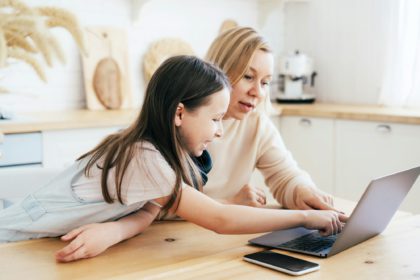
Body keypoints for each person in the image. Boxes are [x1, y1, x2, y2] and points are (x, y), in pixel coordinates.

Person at [0, 55, 347, 263]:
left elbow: (148, 213)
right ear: (180, 113)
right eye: (215, 119)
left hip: (39, 242)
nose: (220, 131)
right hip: (13, 239)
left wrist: (114, 230)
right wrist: (304, 217)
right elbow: (220, 219)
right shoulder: (144, 155)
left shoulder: (164, 154)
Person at [203, 26, 337, 210]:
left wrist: (302, 191)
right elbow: (158, 200)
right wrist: (228, 203)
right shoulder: (182, 119)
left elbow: (285, 176)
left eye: (265, 82)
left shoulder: (256, 123)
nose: (258, 92)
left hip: (225, 230)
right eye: (248, 76)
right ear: (218, 71)